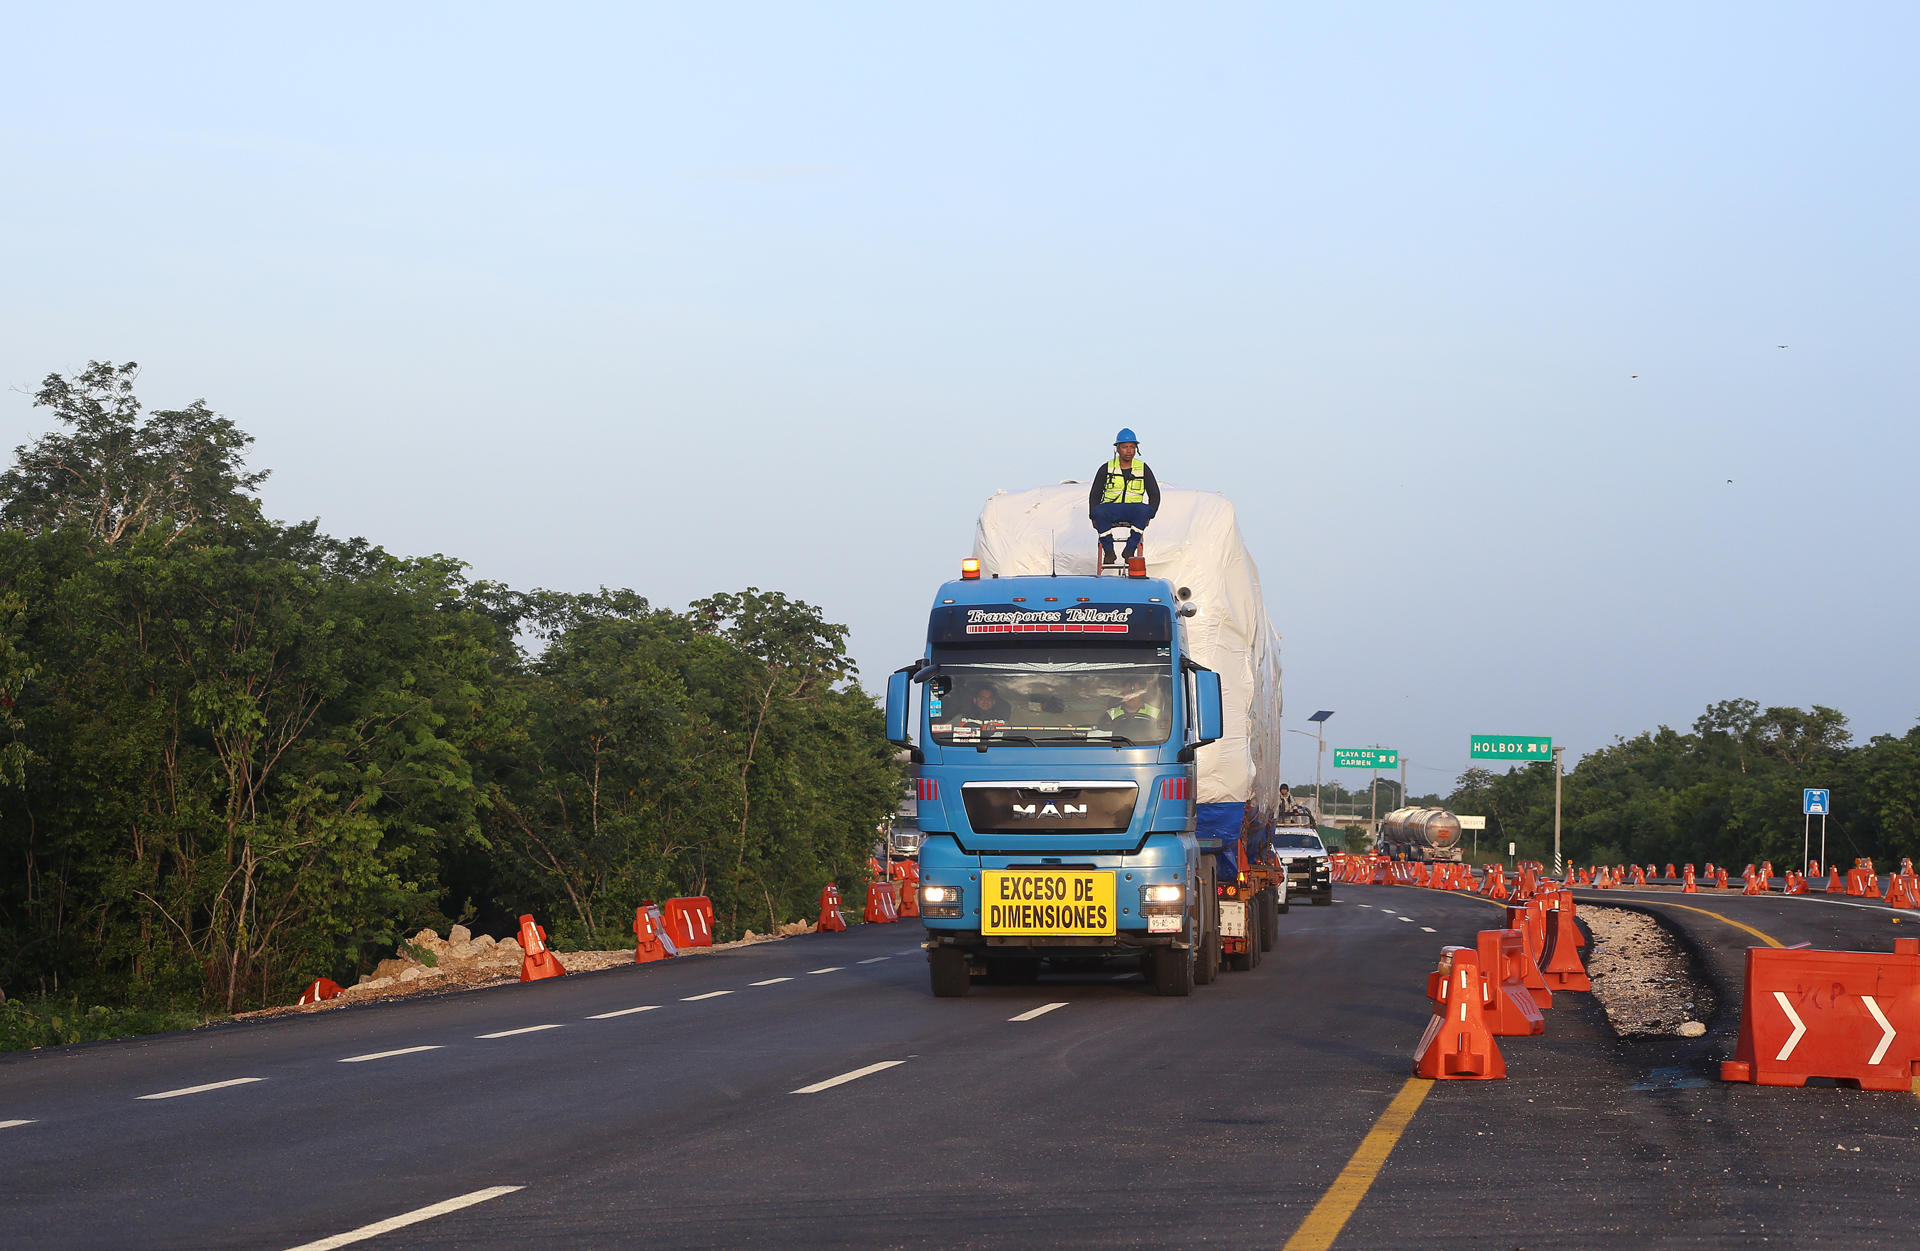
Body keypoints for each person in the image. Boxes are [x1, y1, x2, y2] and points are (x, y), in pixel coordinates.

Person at [1087, 428, 1160, 566]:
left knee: (1144, 510)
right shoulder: (1106, 468)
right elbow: (1095, 494)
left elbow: (1155, 494)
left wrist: (1150, 514)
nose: (1129, 450)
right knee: (1099, 512)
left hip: (1134, 509)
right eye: (1125, 447)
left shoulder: (1143, 468)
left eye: (1132, 447)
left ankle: (1129, 550)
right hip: (1111, 508)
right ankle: (1109, 552)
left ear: (1136, 448)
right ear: (1117, 449)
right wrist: (1093, 516)